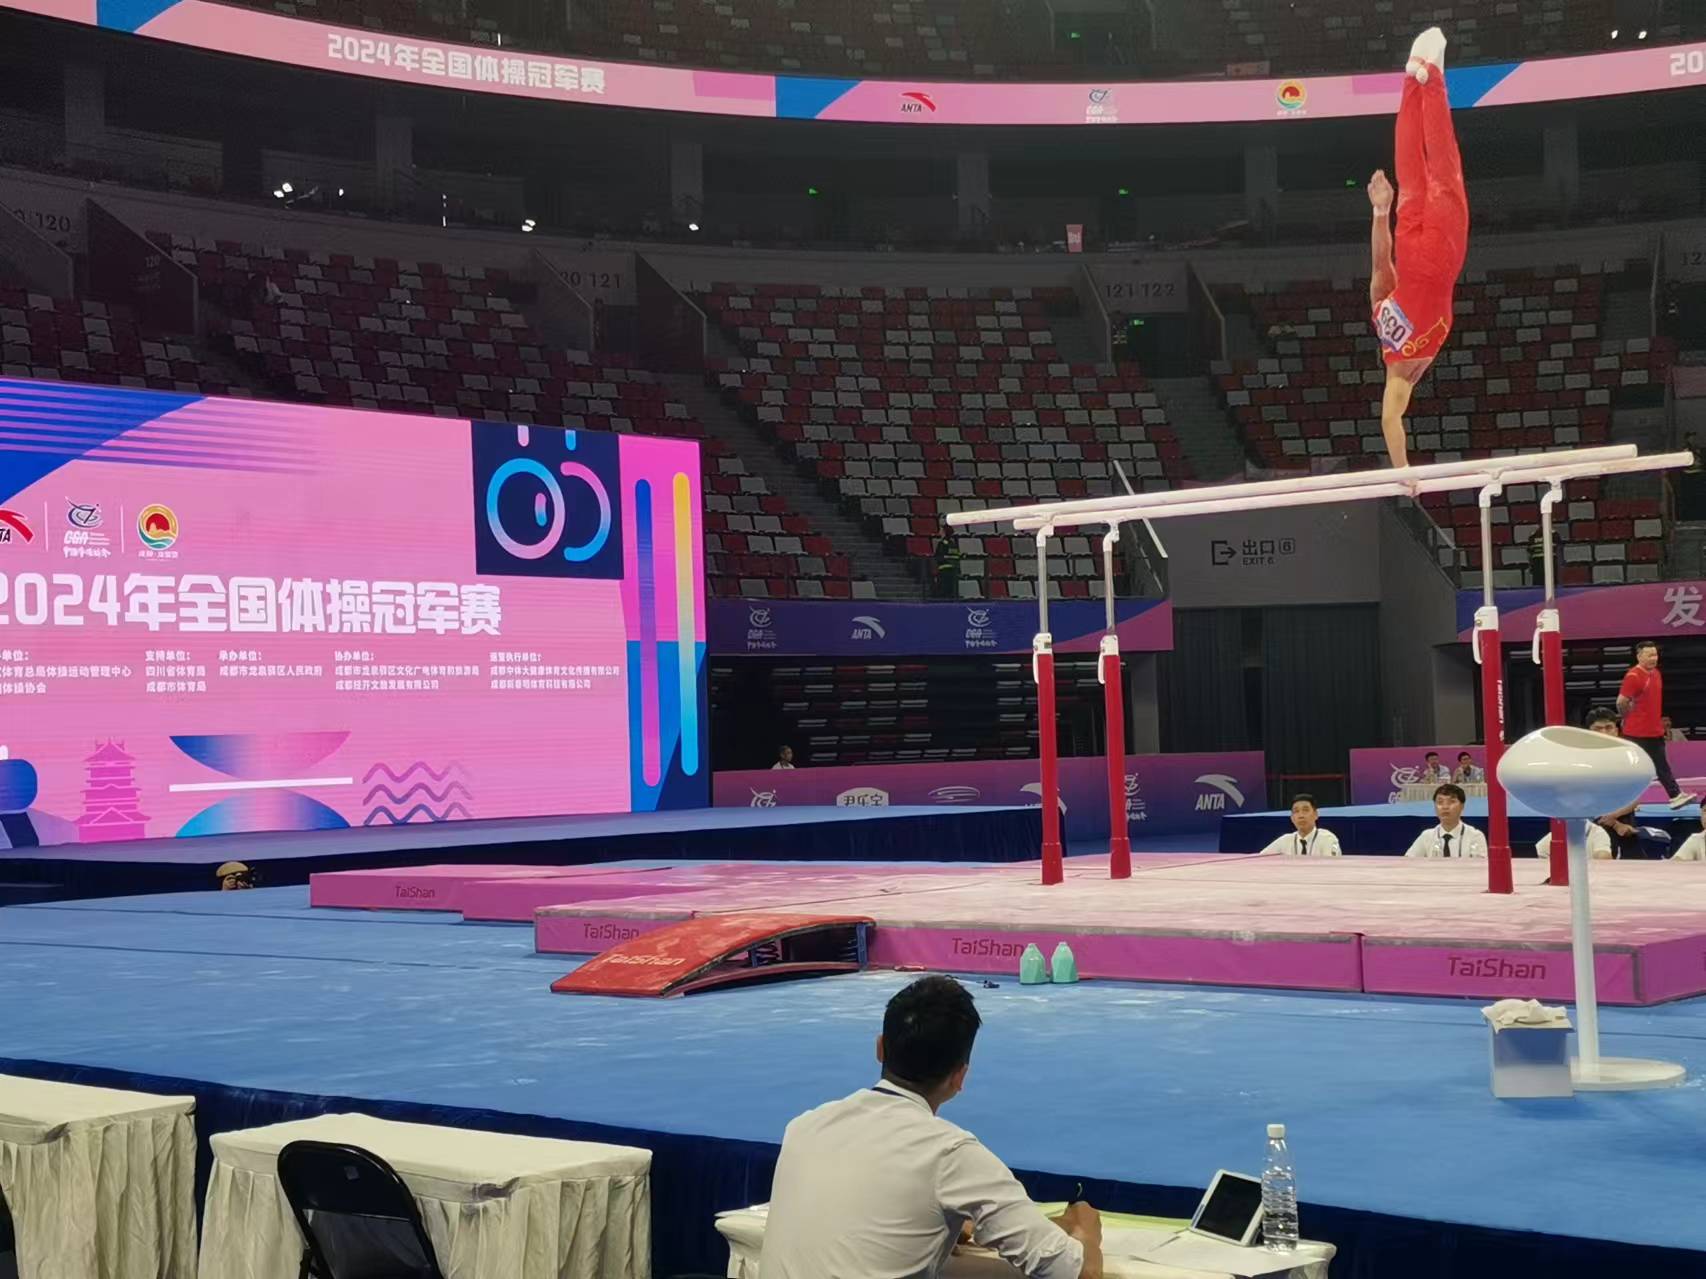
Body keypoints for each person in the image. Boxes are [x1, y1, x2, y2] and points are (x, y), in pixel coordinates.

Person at [760, 975, 1103, 1279]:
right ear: (960, 1077)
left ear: (880, 1048)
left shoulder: (803, 1127)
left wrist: (942, 1222)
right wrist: (1086, 1232)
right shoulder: (951, 1155)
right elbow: (1080, 1273)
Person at [1367, 26, 1468, 469]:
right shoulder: (1381, 315)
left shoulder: (1402, 373)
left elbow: (1391, 420)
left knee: (1445, 171)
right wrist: (1379, 211)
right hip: (1407, 252)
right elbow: (1379, 263)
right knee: (1410, 174)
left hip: (1440, 260)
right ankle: (1412, 81)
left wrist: (1404, 472)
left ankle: (1432, 79)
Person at [1617, 641, 1698, 809]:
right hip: (1638, 732)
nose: (1653, 658)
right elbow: (1621, 701)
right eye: (1649, 655)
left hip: (1654, 729)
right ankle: (1673, 795)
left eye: (1655, 655)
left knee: (1660, 765)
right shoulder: (1633, 676)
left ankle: (1675, 795)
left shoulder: (1656, 673)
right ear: (1639, 656)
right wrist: (1627, 717)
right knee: (1640, 768)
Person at [1403, 783, 1488, 858]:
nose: (1445, 807)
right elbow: (1408, 862)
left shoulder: (1475, 836)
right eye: (1440, 802)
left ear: (1462, 806)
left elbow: (1480, 867)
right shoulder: (1427, 836)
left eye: (1451, 802)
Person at [1258, 794, 1343, 857]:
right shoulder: (1285, 840)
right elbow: (1260, 859)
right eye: (1296, 811)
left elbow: (1332, 866)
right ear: (1292, 818)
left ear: (1316, 814)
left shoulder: (1328, 839)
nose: (1301, 815)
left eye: (1305, 810)